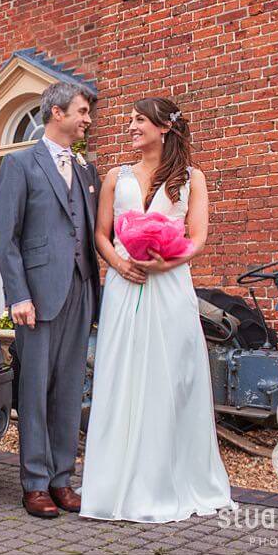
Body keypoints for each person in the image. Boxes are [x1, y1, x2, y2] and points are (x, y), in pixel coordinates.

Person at [80, 97, 236, 523]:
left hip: (170, 286)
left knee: (172, 375)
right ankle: (115, 481)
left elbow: (198, 236)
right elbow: (100, 234)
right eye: (130, 120)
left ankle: (172, 479)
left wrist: (168, 261)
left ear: (164, 127)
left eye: (139, 120)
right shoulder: (116, 176)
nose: (131, 127)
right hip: (124, 286)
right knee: (123, 373)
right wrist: (118, 264)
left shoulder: (192, 178)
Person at [0, 81, 100, 518]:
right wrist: (17, 294)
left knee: (70, 390)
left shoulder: (87, 170)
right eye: (81, 111)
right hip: (35, 296)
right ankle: (34, 484)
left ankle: (62, 480)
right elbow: (7, 236)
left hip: (81, 288)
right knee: (35, 391)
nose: (87, 119)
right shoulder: (20, 164)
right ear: (57, 113)